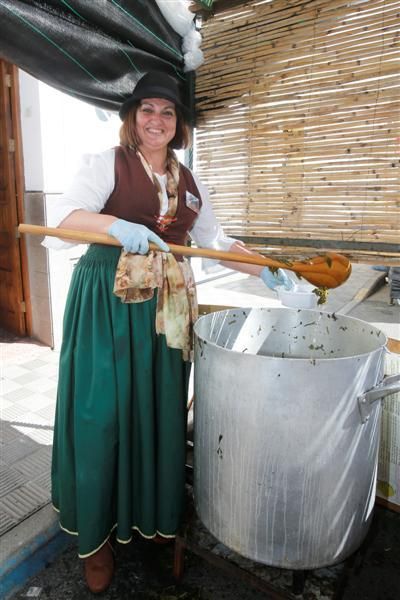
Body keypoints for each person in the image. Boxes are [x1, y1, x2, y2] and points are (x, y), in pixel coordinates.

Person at [44, 71, 292, 593]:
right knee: (102, 414)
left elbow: (217, 242)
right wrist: (114, 226)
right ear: (132, 118)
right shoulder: (104, 164)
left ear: (178, 125)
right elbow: (63, 218)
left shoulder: (191, 182)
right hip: (107, 305)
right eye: (147, 109)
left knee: (155, 410)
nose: (156, 119)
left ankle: (148, 514)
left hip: (167, 311)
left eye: (167, 112)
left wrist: (271, 269)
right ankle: (95, 540)